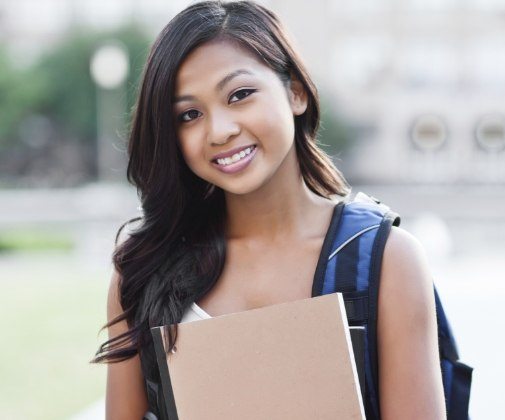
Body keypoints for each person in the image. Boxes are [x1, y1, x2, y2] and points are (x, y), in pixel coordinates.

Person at [92, 1, 447, 419]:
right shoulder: (143, 271)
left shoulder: (386, 260)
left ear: (295, 91)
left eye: (240, 95)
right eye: (189, 115)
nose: (220, 130)